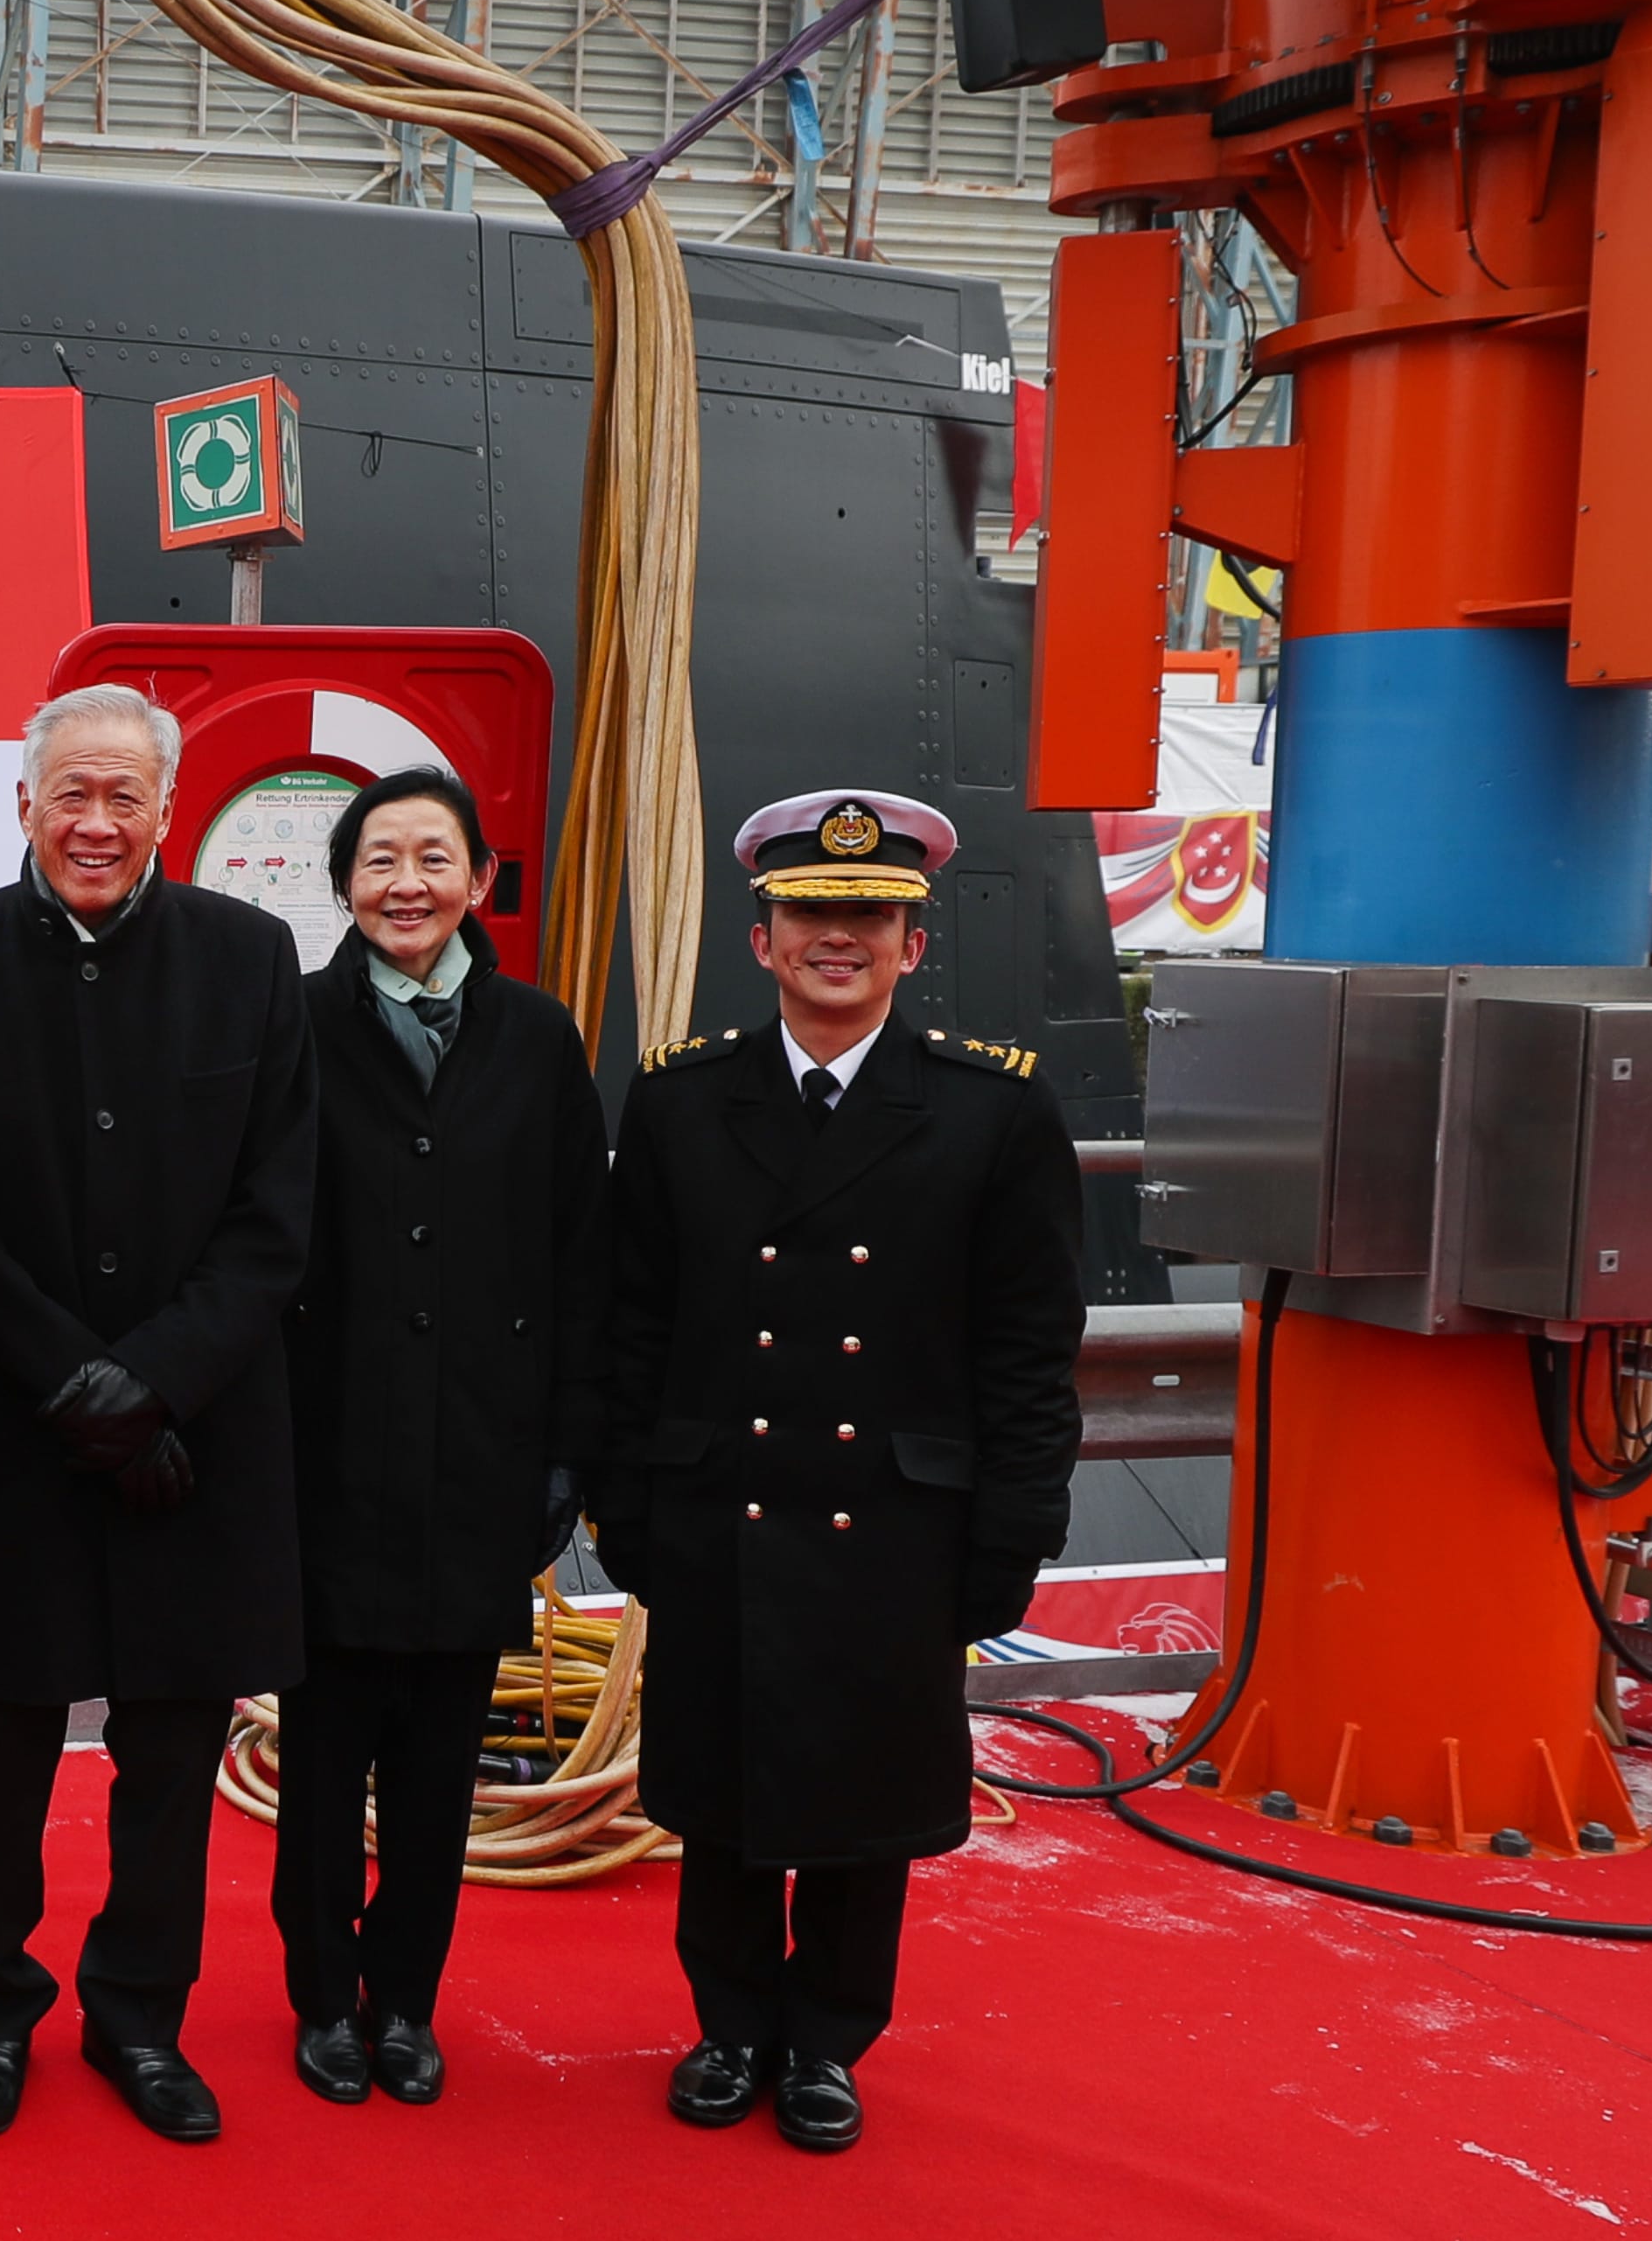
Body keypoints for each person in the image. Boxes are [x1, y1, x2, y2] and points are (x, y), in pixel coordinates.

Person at [583, 792, 1083, 2155]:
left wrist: (1015, 1531)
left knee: (861, 1799)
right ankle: (731, 2022)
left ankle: (827, 2040)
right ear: (763, 937)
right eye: (813, 914)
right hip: (720, 1505)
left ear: (913, 947)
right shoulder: (684, 1098)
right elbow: (632, 1322)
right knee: (726, 1786)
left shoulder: (992, 1112)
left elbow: (1031, 1350)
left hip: (897, 1525)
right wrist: (619, 1495)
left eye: (872, 917)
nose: (841, 939)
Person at [0, 686, 315, 2149]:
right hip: (18, 1433)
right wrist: (78, 1383)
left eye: (125, 795)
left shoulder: (252, 964)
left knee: (172, 1756)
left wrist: (160, 1381)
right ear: (22, 803)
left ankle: (140, 2015)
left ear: (167, 811)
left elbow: (275, 1217)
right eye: (71, 792)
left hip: (196, 1443)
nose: (96, 822)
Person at [267, 768, 603, 2109]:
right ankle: (321, 2000)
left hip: (481, 1459)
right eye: (380, 859)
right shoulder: (290, 1027)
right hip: (325, 1456)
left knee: (437, 1764)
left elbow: (583, 1252)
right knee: (324, 1750)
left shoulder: (537, 1035)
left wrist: (566, 1451)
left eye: (434, 856)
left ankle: (406, 2000)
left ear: (478, 880)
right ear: (343, 884)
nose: (407, 883)